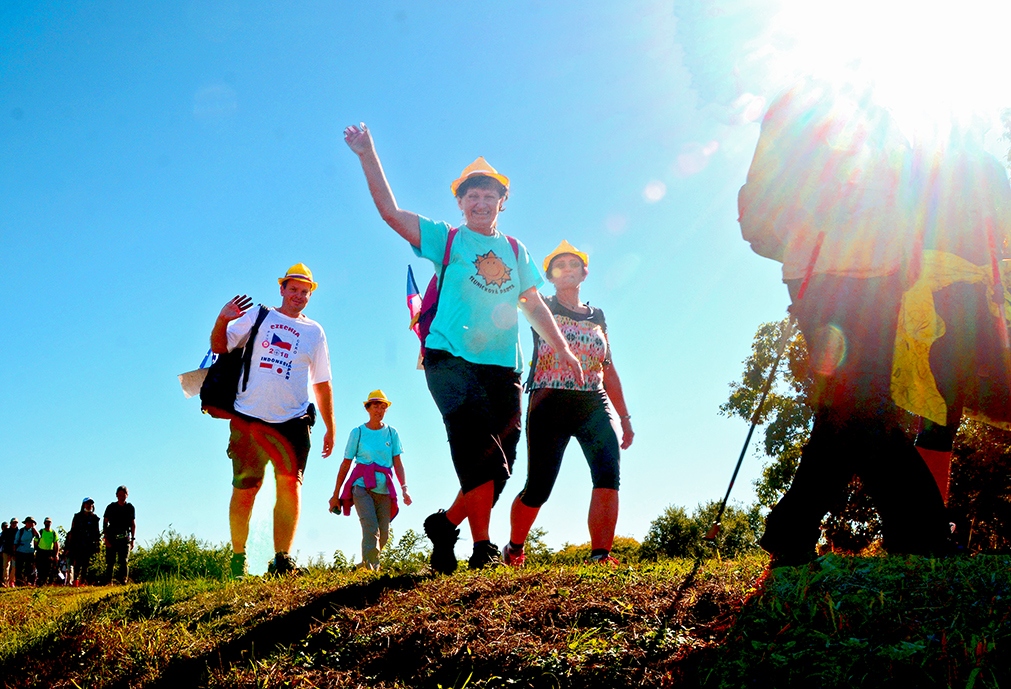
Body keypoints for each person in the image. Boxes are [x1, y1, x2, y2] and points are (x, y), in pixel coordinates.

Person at [345, 124, 582, 571]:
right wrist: (367, 154)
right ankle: (482, 548)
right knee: (475, 448)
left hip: (503, 368)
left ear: (502, 202)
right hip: (449, 358)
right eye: (471, 195)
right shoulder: (446, 238)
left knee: (501, 464)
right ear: (460, 202)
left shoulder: (516, 249)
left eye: (488, 195)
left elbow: (532, 302)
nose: (480, 202)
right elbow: (390, 213)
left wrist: (564, 350)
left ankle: (446, 523)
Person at [739, 78, 951, 566]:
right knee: (861, 406)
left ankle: (791, 532)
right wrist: (812, 207)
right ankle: (921, 533)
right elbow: (764, 195)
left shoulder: (884, 116)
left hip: (881, 274)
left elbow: (912, 195)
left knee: (846, 409)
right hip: (823, 268)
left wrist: (909, 255)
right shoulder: (795, 105)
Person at [503, 241, 634, 567]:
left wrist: (625, 418)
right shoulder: (540, 306)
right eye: (559, 266)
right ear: (549, 275)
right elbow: (511, 293)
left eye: (573, 265)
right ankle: (514, 548)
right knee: (539, 488)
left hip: (593, 401)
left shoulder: (597, 316)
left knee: (608, 473)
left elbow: (608, 368)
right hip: (549, 401)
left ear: (583, 273)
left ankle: (601, 554)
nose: (567, 270)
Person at [211, 263, 335, 578]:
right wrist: (223, 319)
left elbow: (321, 382)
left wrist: (331, 427)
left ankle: (282, 560)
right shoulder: (259, 316)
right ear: (282, 289)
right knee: (246, 490)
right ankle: (238, 559)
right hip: (249, 419)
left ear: (310, 295)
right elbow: (219, 346)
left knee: (290, 487)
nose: (298, 295)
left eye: (304, 291)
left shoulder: (314, 332)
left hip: (293, 421)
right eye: (293, 289)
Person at [328, 390, 412, 570]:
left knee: (384, 534)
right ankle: (371, 570)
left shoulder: (391, 433)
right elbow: (345, 464)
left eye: (383, 407)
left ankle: (364, 565)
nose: (379, 410)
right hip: (361, 486)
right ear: (367, 408)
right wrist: (336, 494)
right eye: (375, 406)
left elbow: (398, 463)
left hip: (384, 489)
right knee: (370, 527)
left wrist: (404, 488)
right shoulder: (357, 432)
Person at [103, 486, 136, 585]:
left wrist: (133, 539)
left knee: (124, 560)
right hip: (112, 537)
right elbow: (105, 523)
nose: (122, 497)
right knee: (110, 561)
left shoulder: (130, 508)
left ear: (127, 495)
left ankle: (124, 580)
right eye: (120, 495)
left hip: (124, 537)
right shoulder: (111, 507)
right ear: (116, 495)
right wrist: (106, 538)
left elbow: (133, 524)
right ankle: (109, 581)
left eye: (124, 495)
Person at [68, 497, 101, 585]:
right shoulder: (77, 516)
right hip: (78, 543)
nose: (89, 505)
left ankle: (83, 581)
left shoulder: (94, 518)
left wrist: (98, 545)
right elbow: (72, 530)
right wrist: (70, 545)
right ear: (83, 505)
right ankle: (75, 581)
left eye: (91, 504)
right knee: (77, 563)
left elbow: (97, 532)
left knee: (86, 564)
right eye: (87, 503)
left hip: (89, 544)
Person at [14, 516, 40, 586]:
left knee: (29, 568)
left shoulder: (33, 531)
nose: (29, 524)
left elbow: (38, 536)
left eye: (31, 523)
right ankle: (19, 582)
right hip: (20, 551)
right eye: (28, 522)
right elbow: (16, 541)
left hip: (30, 552)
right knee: (19, 567)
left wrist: (34, 528)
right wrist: (14, 552)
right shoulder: (21, 531)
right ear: (25, 523)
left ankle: (29, 581)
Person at [35, 517, 60, 586]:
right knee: (40, 568)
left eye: (49, 522)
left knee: (48, 568)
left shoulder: (53, 533)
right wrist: (36, 551)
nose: (47, 523)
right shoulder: (41, 531)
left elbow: (56, 544)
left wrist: (56, 554)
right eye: (46, 522)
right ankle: (40, 582)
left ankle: (45, 581)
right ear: (44, 523)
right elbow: (35, 542)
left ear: (51, 523)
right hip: (40, 552)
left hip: (49, 552)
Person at [2, 517, 17, 587]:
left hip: (15, 552)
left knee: (14, 567)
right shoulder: (6, 531)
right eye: (13, 523)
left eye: (16, 523)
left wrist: (14, 552)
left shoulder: (18, 531)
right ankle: (5, 581)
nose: (14, 524)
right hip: (6, 551)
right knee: (6, 566)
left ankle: (12, 581)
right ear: (11, 523)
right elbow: (2, 541)